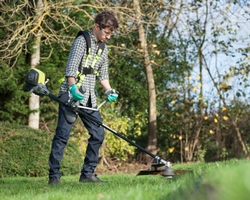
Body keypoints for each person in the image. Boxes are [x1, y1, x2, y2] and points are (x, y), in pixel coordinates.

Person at [48, 10, 119, 184]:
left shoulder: (103, 48)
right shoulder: (81, 41)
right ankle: (54, 175)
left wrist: (109, 90)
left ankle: (87, 174)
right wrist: (72, 88)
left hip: (89, 98)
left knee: (98, 134)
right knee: (62, 135)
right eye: (107, 32)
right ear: (97, 27)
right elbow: (70, 69)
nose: (109, 37)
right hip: (70, 94)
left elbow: (103, 76)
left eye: (111, 34)